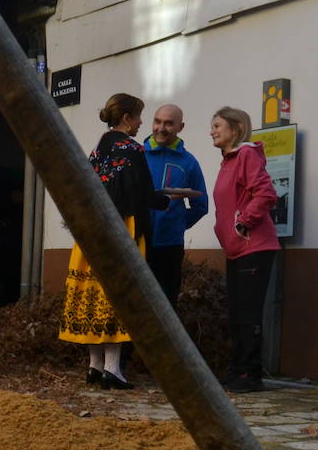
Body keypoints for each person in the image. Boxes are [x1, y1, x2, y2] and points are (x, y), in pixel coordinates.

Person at [58, 92, 169, 390]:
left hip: (90, 233)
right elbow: (143, 194)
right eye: (139, 116)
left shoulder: (96, 149)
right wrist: (167, 199)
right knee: (117, 297)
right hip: (122, 230)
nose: (142, 122)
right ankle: (112, 369)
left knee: (92, 295)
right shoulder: (132, 149)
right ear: (126, 118)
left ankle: (93, 366)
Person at [210, 105, 280, 394]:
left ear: (236, 129)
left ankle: (250, 375)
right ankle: (237, 371)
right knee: (237, 314)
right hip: (236, 249)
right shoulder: (227, 161)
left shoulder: (246, 155)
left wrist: (243, 224)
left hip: (255, 246)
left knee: (248, 314)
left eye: (217, 126)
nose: (211, 131)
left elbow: (266, 193)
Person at [142, 104, 208, 311]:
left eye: (169, 123)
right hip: (137, 242)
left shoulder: (189, 163)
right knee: (136, 305)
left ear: (181, 127)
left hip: (169, 247)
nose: (161, 128)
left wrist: (177, 224)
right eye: (158, 121)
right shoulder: (137, 155)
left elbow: (201, 205)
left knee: (166, 306)